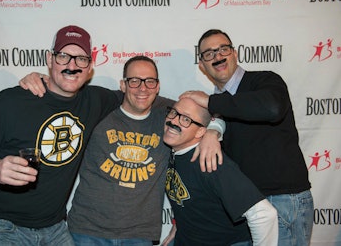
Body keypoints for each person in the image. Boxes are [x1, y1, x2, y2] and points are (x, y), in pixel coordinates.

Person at [21, 56, 224, 245]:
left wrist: (213, 131)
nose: (142, 89)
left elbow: (216, 113)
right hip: (87, 231)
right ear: (123, 85)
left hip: (139, 236)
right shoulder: (98, 110)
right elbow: (61, 96)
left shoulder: (170, 118)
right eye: (134, 81)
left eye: (149, 81)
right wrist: (39, 80)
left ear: (157, 86)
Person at [0, 25, 123, 245]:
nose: (72, 65)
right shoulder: (11, 101)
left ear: (90, 67)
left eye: (81, 59)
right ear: (49, 60)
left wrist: (180, 103)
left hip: (54, 227)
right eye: (63, 56)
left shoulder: (95, 100)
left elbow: (139, 96)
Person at [181, 29, 314, 245]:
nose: (217, 56)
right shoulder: (215, 105)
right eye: (209, 53)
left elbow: (271, 108)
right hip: (245, 209)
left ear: (234, 53)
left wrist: (211, 103)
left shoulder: (264, 80)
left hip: (281, 201)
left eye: (223, 49)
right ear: (202, 66)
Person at [161, 97, 278, 246]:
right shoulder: (176, 152)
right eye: (173, 113)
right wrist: (179, 225)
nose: (174, 121)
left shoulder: (211, 162)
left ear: (201, 131)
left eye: (186, 119)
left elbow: (264, 214)